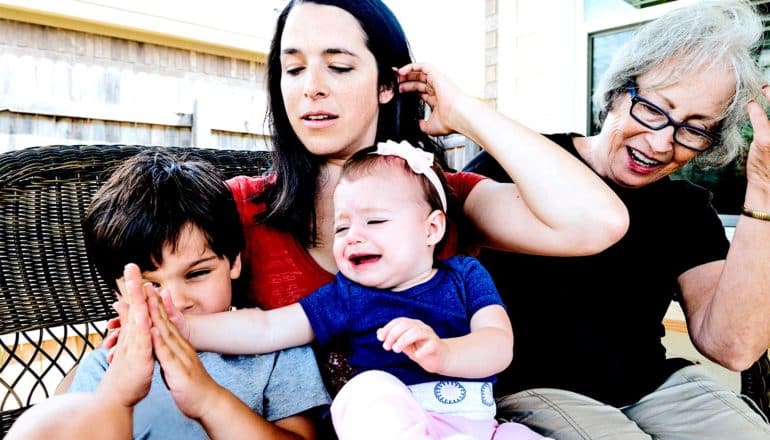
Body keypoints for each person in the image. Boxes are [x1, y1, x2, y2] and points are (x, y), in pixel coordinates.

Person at [226, 0, 628, 394]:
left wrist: (466, 113)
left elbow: (599, 223)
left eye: (339, 67)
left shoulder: (448, 197)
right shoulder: (236, 205)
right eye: (293, 69)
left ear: (387, 85)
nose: (311, 88)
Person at [464, 1, 770, 438]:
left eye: (694, 128)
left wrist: (763, 186)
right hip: (531, 386)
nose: (663, 142)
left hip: (652, 387)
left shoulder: (685, 207)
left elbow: (733, 347)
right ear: (617, 91)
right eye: (653, 109)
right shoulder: (522, 165)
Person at [154, 140, 548, 439]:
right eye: (342, 227)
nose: (353, 237)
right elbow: (268, 328)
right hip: (396, 423)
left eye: (375, 221)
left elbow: (498, 345)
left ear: (432, 229)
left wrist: (444, 353)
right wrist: (185, 329)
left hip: (480, 426)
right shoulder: (346, 295)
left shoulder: (465, 276)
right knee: (364, 391)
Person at [6, 150, 329, 440]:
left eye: (197, 273)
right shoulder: (110, 368)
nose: (176, 301)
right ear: (121, 289)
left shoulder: (274, 352)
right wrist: (117, 397)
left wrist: (208, 400)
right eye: (150, 284)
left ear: (234, 262)